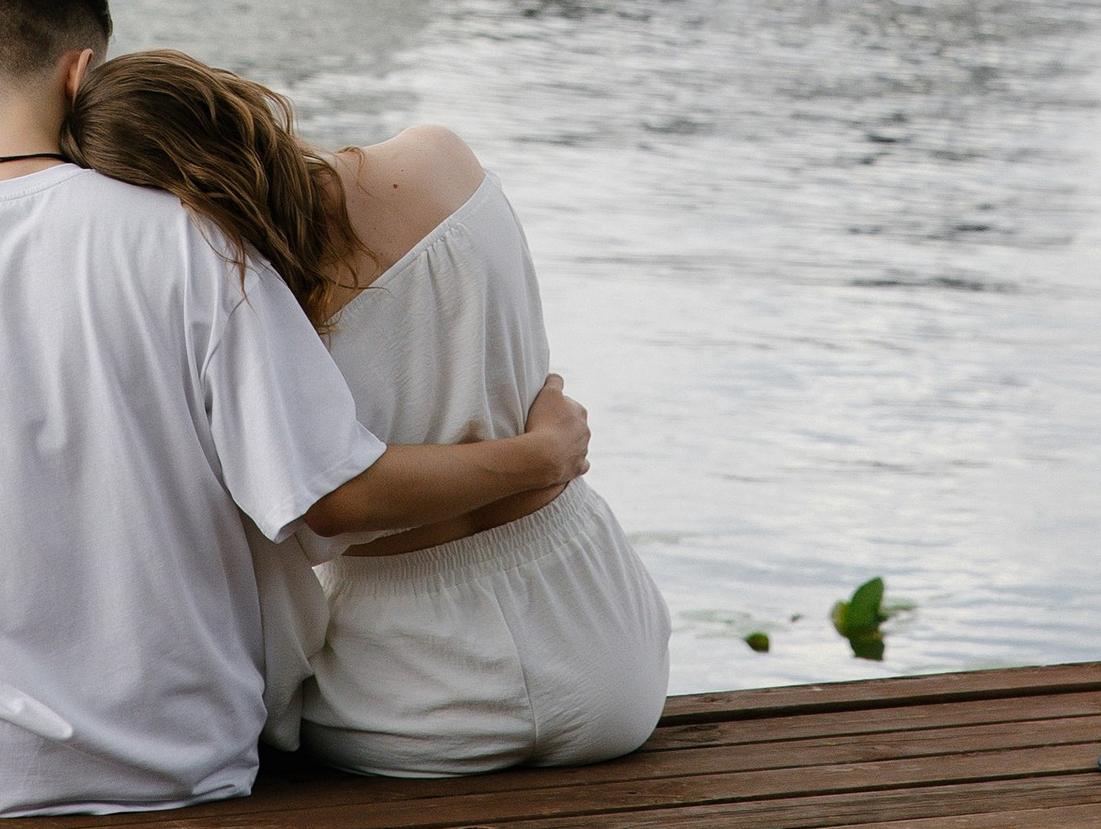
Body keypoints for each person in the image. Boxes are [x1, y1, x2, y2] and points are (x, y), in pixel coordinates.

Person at [0, 0, 589, 818]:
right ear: (82, 73)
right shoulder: (194, 240)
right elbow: (322, 488)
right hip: (189, 757)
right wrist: (540, 456)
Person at [63, 50, 670, 777]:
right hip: (608, 653)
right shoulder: (438, 157)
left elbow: (335, 502)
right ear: (234, 99)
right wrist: (545, 455)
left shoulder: (250, 307)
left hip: (410, 697)